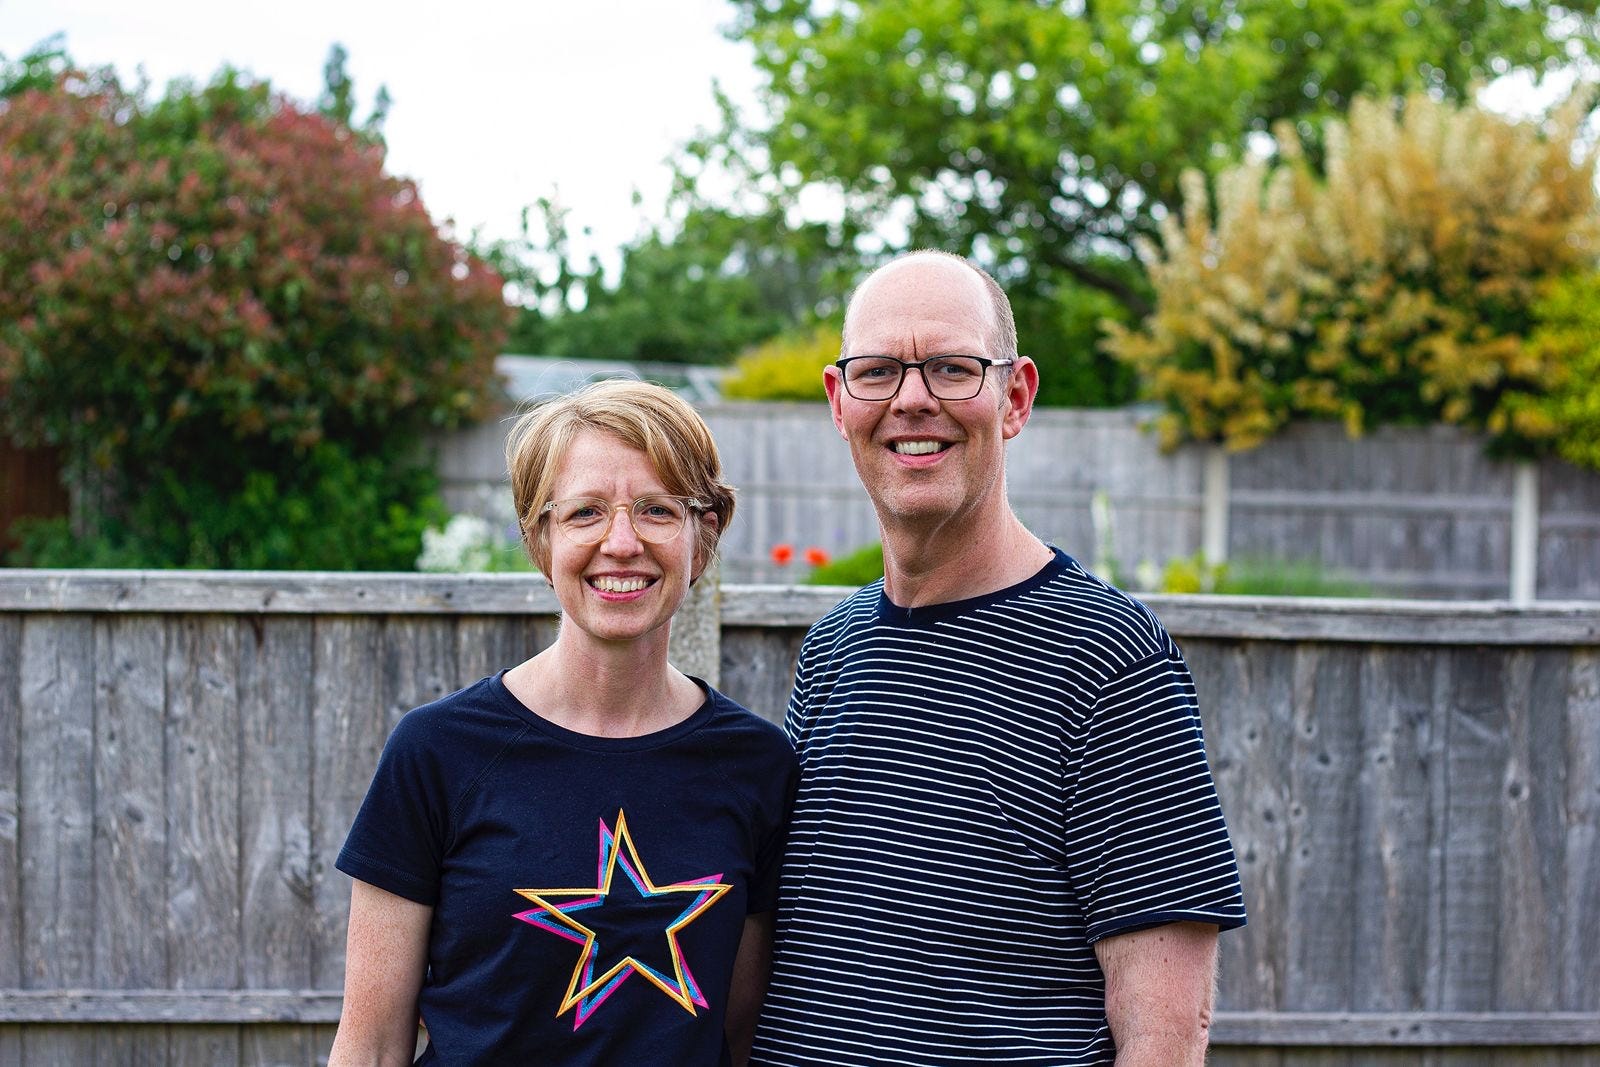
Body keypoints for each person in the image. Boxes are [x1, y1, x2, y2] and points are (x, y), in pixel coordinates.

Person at [751, 251, 1247, 1066]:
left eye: (951, 368)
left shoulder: (1108, 661)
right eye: (878, 371)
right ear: (840, 404)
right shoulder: (831, 652)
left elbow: (1166, 1033)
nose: (913, 400)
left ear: (1013, 397)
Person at [330, 380, 797, 1066]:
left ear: (704, 536)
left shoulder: (758, 767)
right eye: (584, 513)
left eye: (657, 509)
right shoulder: (437, 754)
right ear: (539, 538)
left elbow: (742, 1037)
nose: (622, 541)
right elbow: (370, 1047)